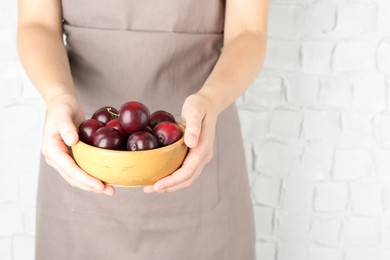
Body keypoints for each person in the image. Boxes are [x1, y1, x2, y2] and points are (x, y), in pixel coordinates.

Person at [17, 0, 269, 259]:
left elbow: (248, 32)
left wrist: (211, 100)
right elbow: (36, 24)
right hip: (82, 146)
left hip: (199, 139)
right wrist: (58, 96)